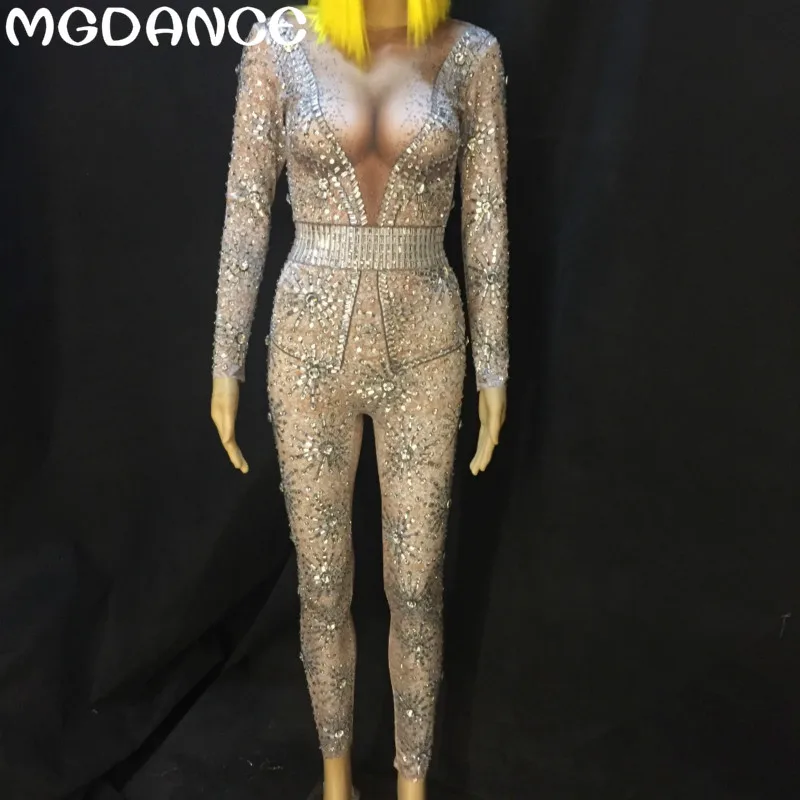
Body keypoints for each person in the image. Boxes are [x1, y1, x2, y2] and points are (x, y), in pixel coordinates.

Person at [210, 1, 509, 797]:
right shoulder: (278, 48)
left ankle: (413, 787)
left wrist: (494, 368)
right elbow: (246, 208)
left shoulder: (470, 55)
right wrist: (225, 360)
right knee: (321, 582)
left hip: (428, 349)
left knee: (416, 584)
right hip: (307, 349)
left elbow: (485, 221)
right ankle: (336, 782)